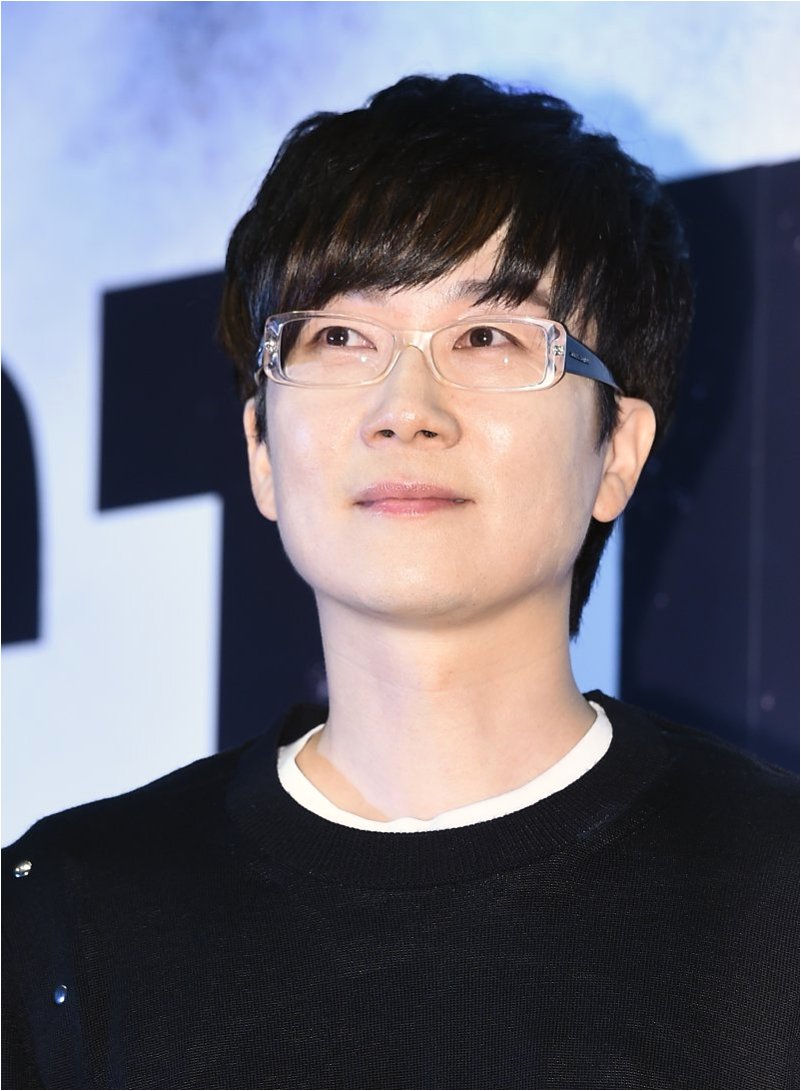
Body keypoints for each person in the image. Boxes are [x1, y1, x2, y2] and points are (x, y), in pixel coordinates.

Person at [3, 74, 797, 1090]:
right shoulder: (60, 922)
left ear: (617, 451)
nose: (404, 408)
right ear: (260, 449)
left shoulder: (775, 893)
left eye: (488, 337)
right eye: (338, 337)